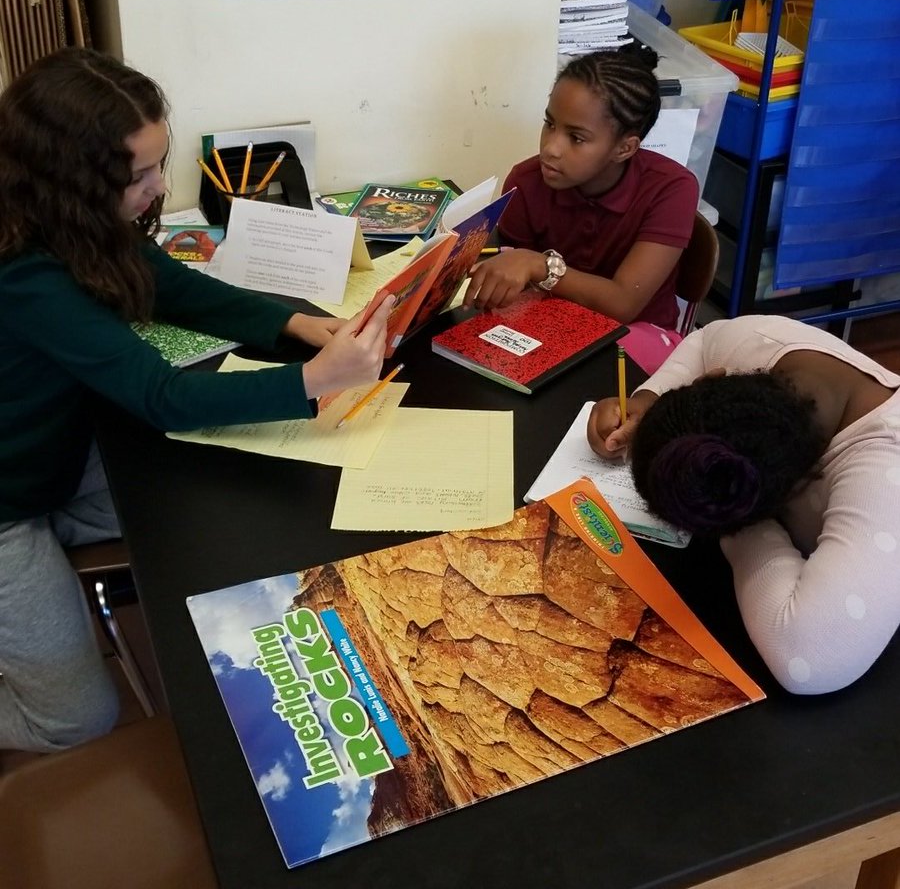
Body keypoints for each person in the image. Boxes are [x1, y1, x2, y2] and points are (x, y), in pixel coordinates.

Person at [0, 47, 394, 753]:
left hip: (49, 456)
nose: (158, 187)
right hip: (9, 503)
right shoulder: (25, 274)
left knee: (206, 492)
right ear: (72, 182)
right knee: (75, 720)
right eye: (140, 174)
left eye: (159, 162)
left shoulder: (74, 221)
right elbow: (162, 396)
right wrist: (314, 381)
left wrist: (295, 323)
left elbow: (172, 286)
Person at [586, 315, 900, 695]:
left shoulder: (885, 476)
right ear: (715, 379)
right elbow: (704, 341)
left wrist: (738, 522)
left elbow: (809, 661)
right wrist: (646, 400)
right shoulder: (762, 344)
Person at [462, 42, 699, 374]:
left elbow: (623, 304)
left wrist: (538, 265)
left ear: (625, 147)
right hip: (548, 325)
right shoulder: (526, 180)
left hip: (639, 337)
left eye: (576, 138)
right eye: (550, 124)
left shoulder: (672, 188)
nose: (550, 148)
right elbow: (518, 289)